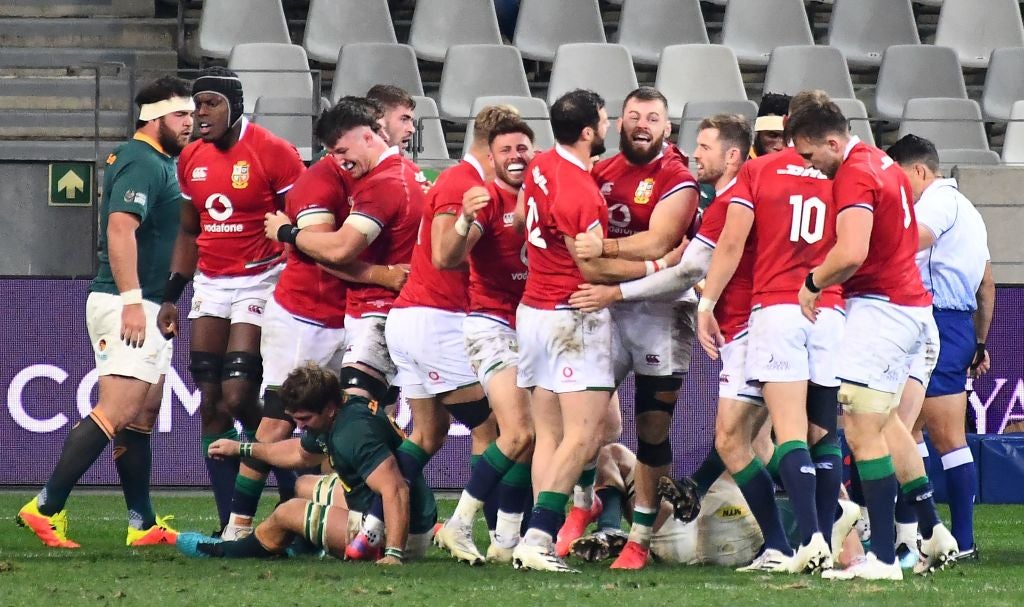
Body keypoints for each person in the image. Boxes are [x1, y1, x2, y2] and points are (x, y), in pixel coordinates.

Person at [572, 114, 798, 573]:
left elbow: (688, 270)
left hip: (750, 328)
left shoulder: (731, 201)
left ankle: (804, 534)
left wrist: (615, 290)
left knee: (745, 440)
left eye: (706, 147)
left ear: (731, 156)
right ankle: (812, 531)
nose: (696, 153)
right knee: (757, 439)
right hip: (766, 325)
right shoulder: (747, 197)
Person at [220, 100, 411, 540]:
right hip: (304, 317)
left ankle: (333, 528)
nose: (390, 136)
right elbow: (325, 252)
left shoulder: (385, 177)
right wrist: (382, 275)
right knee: (276, 424)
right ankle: (238, 527)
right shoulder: (318, 183)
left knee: (344, 428)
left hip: (355, 317)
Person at [18, 76, 194, 548]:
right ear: (153, 118)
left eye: (191, 115)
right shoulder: (141, 160)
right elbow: (120, 230)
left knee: (142, 414)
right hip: (124, 302)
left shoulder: (158, 161)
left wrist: (164, 299)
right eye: (180, 115)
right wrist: (132, 300)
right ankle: (45, 507)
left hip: (148, 301)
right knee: (117, 410)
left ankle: (142, 524)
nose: (189, 123)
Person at [790, 91, 959, 580]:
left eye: (810, 154)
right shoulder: (883, 162)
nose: (810, 165)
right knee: (886, 425)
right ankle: (932, 529)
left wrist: (812, 282)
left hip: (882, 312)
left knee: (861, 428)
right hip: (908, 307)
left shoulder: (855, 173)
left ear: (831, 142)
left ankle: (883, 557)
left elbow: (851, 252)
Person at [263, 96, 424, 559]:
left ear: (369, 135)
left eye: (342, 149)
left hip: (377, 316)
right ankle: (403, 526)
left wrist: (287, 233)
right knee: (405, 430)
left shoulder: (384, 184)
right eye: (332, 153)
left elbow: (336, 250)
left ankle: (380, 528)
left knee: (354, 422)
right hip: (379, 313)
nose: (339, 160)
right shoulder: (403, 175)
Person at [513, 89, 667, 572]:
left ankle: (542, 534)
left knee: (551, 436)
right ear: (587, 132)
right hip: (572, 315)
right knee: (585, 434)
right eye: (604, 120)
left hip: (533, 311)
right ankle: (538, 538)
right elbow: (594, 269)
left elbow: (520, 218)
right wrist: (658, 265)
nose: (609, 126)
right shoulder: (580, 190)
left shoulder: (541, 164)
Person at [696, 91, 845, 574]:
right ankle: (822, 537)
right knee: (822, 434)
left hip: (777, 308)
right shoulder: (843, 170)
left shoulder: (759, 171)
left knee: (781, 434)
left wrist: (706, 304)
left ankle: (804, 542)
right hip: (830, 309)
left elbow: (732, 243)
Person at [157, 67, 307, 533]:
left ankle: (294, 494)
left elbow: (303, 222)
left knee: (240, 395)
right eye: (196, 105)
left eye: (211, 104)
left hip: (263, 280)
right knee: (211, 403)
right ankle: (231, 525)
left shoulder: (274, 152)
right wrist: (171, 296)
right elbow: (189, 230)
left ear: (235, 107)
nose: (200, 114)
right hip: (211, 283)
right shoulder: (190, 157)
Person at [385, 106, 523, 565]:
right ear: (492, 144)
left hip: (415, 317)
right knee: (494, 428)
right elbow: (444, 255)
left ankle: (372, 523)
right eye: (509, 147)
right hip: (436, 320)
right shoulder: (463, 183)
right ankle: (491, 533)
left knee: (427, 434)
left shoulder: (464, 181)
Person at [570, 86, 700, 569]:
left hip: (661, 313)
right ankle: (584, 506)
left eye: (652, 117)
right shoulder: (598, 172)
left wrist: (604, 253)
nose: (642, 124)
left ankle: (639, 538)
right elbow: (579, 246)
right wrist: (610, 266)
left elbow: (661, 242)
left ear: (667, 127)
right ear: (619, 123)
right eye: (633, 115)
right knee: (584, 418)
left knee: (652, 428)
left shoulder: (677, 179)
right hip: (604, 308)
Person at [176, 364, 437, 564]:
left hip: (398, 529)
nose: (299, 426)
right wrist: (241, 448)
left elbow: (395, 489)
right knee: (303, 485)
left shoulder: (353, 433)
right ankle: (305, 546)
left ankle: (229, 551)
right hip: (397, 509)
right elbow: (300, 454)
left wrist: (393, 554)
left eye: (305, 419)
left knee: (288, 512)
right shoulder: (341, 409)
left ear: (329, 408)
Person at [433, 117, 537, 563]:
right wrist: (463, 220)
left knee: (531, 439)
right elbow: (445, 257)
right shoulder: (487, 200)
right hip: (491, 325)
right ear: (491, 158)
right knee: (518, 432)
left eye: (522, 148)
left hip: (536, 324)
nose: (516, 156)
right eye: (506, 150)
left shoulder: (545, 194)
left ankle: (506, 542)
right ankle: (458, 524)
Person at [887, 134, 994, 562]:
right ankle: (915, 537)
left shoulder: (938, 202)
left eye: (899, 177)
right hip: (954, 324)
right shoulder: (971, 212)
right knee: (911, 430)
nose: (896, 187)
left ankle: (950, 540)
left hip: (934, 319)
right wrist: (979, 340)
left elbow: (912, 241)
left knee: (940, 434)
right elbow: (987, 285)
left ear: (919, 171)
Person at [749, 93, 791, 158]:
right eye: (772, 135)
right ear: (757, 133)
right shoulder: (740, 161)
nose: (780, 146)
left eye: (787, 137)